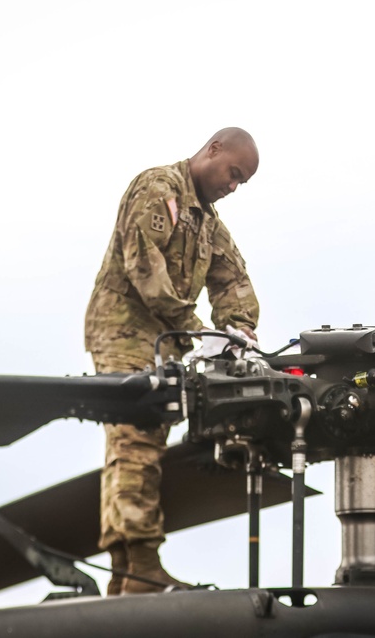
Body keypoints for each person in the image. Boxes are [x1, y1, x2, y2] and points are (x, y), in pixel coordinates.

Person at [84, 127, 261, 595]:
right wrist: (196, 327)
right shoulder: (158, 188)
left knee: (137, 445)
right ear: (213, 150)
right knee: (135, 440)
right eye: (233, 173)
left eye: (242, 182)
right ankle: (141, 563)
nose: (233, 186)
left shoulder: (208, 222)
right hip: (124, 329)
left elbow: (232, 280)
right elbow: (144, 266)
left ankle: (128, 573)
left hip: (164, 341)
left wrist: (239, 329)